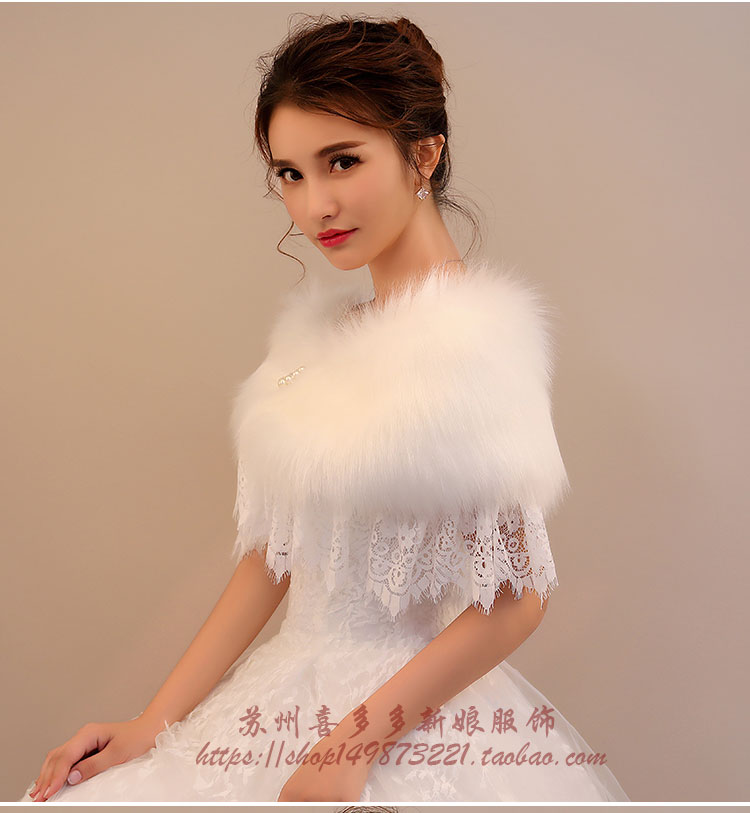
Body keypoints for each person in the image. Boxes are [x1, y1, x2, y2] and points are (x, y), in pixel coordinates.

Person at [19, 14, 630, 803]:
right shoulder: (318, 343)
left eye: (342, 161)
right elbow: (273, 557)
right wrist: (152, 722)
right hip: (285, 689)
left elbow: (518, 600)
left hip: (397, 721)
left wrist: (355, 743)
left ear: (423, 154)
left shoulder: (475, 345)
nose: (315, 205)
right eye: (291, 173)